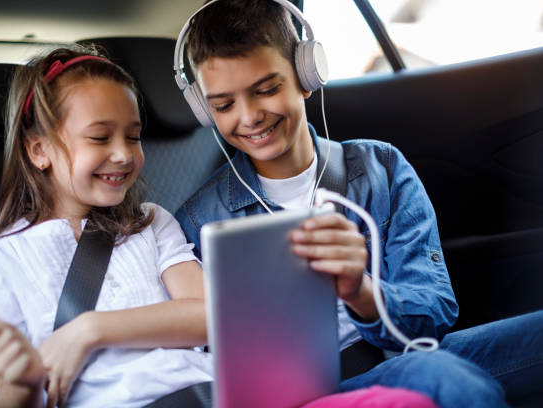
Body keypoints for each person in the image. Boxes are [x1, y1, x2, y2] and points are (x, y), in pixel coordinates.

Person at [173, 1, 543, 407]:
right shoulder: (199, 221)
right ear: (205, 110)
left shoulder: (380, 167)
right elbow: (205, 357)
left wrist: (362, 292)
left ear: (306, 74)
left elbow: (434, 310)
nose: (248, 117)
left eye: (266, 90)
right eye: (224, 105)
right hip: (303, 392)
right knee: (442, 377)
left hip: (404, 354)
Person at [0, 46, 213, 408]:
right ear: (39, 151)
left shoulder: (150, 222)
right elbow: (12, 395)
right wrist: (21, 385)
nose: (124, 154)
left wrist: (89, 330)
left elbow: (211, 315)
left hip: (206, 391)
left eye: (133, 136)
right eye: (100, 138)